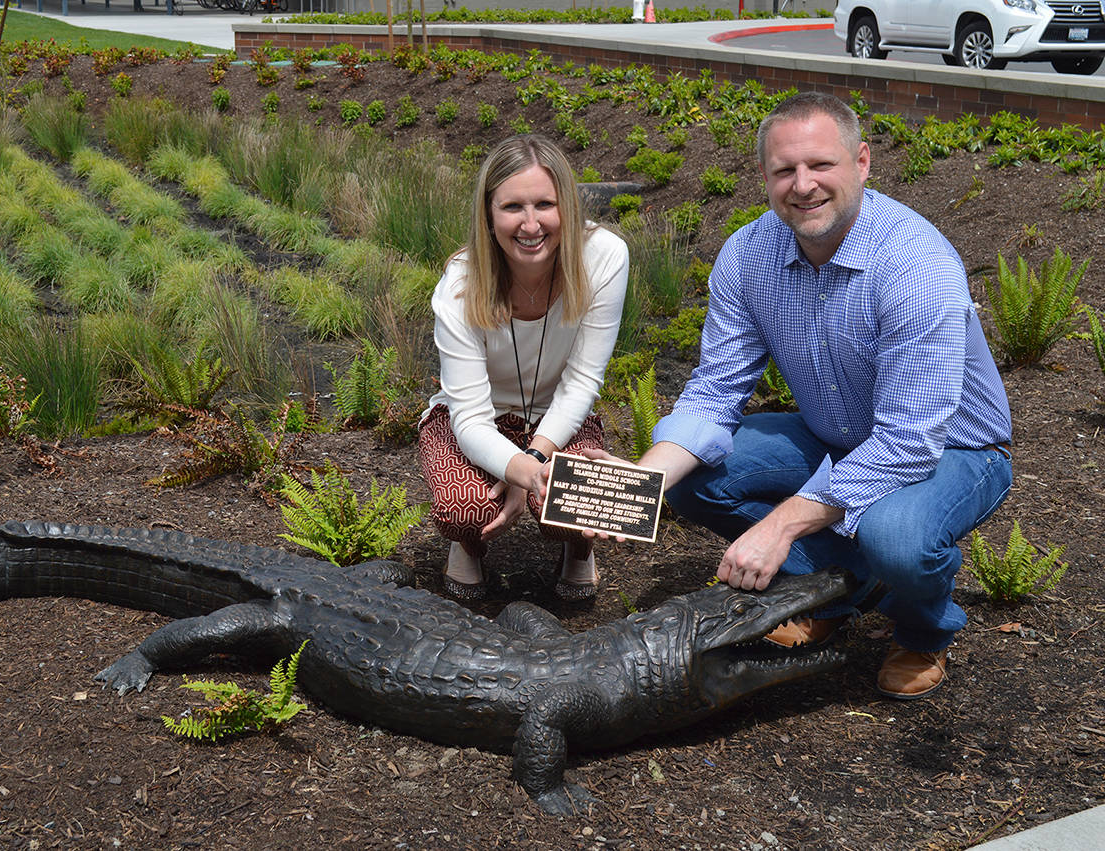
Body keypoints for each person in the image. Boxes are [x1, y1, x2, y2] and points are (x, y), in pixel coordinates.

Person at [594, 92, 1012, 699]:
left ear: (862, 163)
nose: (803, 185)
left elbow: (909, 439)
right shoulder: (747, 254)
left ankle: (923, 631)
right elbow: (716, 390)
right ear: (765, 176)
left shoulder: (915, 266)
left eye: (821, 165)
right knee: (693, 480)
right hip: (835, 434)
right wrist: (640, 484)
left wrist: (783, 525)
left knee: (896, 539)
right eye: (785, 169)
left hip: (954, 448)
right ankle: (840, 593)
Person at [418, 134, 629, 602]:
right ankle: (468, 543)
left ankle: (577, 551)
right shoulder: (460, 283)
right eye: (512, 207)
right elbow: (469, 418)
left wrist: (530, 463)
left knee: (576, 501)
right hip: (477, 419)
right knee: (466, 507)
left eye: (545, 204)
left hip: (559, 416)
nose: (530, 224)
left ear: (567, 208)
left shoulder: (604, 258)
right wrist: (515, 468)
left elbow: (581, 382)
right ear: (489, 215)